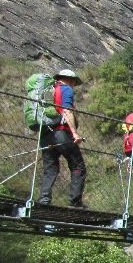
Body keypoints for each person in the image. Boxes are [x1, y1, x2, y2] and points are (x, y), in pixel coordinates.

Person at [36, 68, 86, 208]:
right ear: (70, 80)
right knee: (78, 166)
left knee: (50, 168)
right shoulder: (66, 89)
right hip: (61, 133)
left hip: (46, 134)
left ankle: (44, 199)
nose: (74, 85)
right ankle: (75, 202)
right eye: (74, 82)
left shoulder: (49, 90)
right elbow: (66, 110)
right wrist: (75, 133)